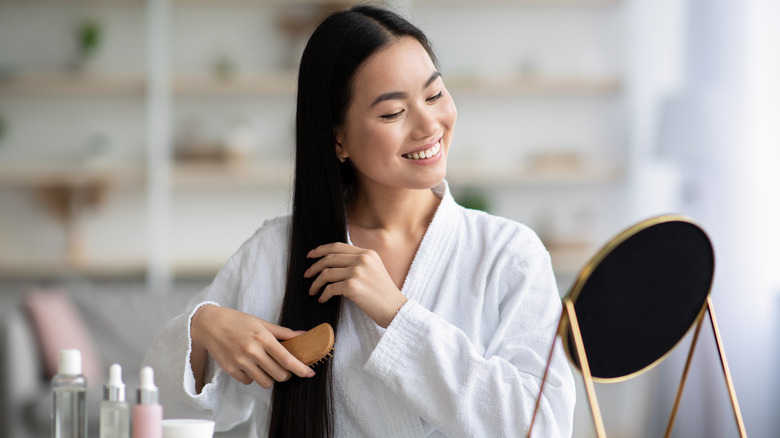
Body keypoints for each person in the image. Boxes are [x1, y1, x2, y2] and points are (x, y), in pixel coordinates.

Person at [143, 5, 575, 438]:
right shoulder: (278, 253)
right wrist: (202, 328)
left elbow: (543, 426)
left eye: (434, 94)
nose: (429, 125)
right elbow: (159, 409)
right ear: (338, 138)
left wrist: (396, 313)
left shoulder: (510, 254)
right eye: (392, 113)